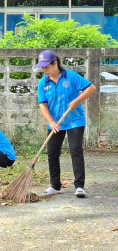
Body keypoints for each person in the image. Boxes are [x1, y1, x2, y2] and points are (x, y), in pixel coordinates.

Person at [36, 50, 96, 198]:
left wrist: (77, 100)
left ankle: (79, 186)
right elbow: (42, 105)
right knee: (52, 153)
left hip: (75, 120)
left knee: (75, 151)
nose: (44, 70)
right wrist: (51, 122)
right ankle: (55, 186)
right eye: (42, 68)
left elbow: (91, 88)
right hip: (55, 122)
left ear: (55, 63)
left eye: (46, 67)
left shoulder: (71, 76)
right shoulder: (43, 82)